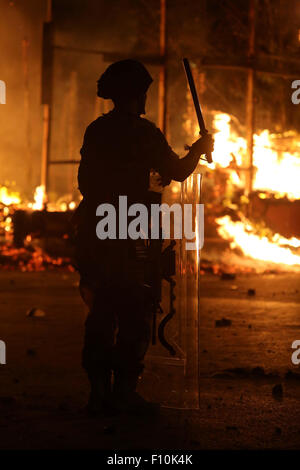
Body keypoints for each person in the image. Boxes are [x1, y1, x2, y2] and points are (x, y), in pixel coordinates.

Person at [75, 59, 214, 415]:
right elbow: (180, 172)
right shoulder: (144, 133)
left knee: (101, 311)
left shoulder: (96, 130)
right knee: (135, 312)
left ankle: (97, 394)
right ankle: (122, 393)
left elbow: (87, 184)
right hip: (131, 232)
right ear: (136, 95)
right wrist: (199, 149)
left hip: (96, 230)